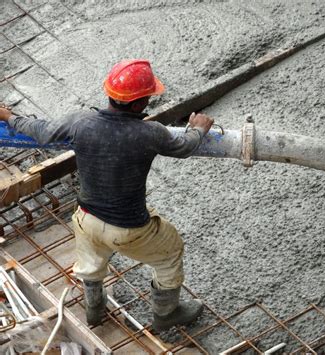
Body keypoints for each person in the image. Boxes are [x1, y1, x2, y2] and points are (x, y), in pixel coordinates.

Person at [0, 59, 214, 331]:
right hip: (128, 228)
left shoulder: (81, 122)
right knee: (170, 251)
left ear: (110, 94)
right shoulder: (150, 133)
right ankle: (166, 313)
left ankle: (94, 310)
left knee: (91, 265)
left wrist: (8, 117)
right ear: (139, 104)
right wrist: (198, 128)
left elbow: (41, 131)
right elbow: (184, 146)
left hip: (85, 218)